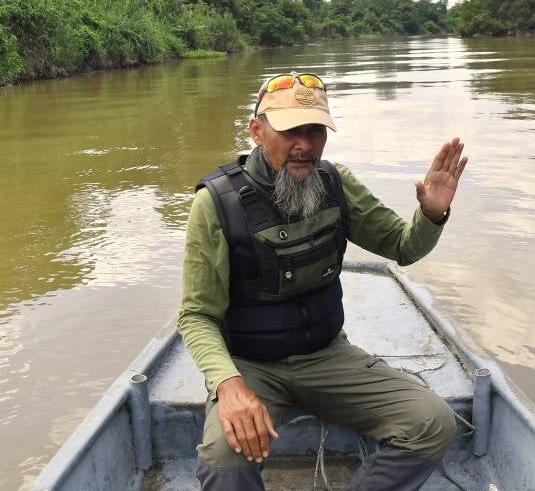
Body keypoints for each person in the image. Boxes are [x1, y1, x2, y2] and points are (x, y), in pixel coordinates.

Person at [177, 72, 468, 490]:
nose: (305, 144)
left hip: (328, 356)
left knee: (433, 422)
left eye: (315, 130)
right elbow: (196, 315)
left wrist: (433, 215)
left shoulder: (335, 184)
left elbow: (404, 247)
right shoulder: (216, 204)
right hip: (252, 366)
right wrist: (229, 385)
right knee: (225, 459)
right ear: (257, 131)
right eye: (290, 130)